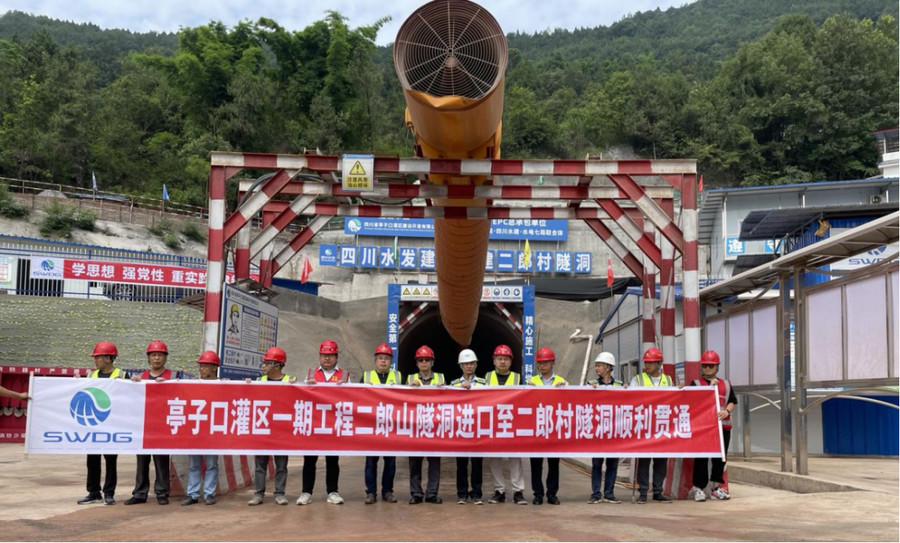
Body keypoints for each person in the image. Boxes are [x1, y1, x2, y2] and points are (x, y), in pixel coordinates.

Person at [125, 340, 182, 506]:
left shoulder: (173, 376)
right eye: (154, 355)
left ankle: (162, 492)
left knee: (161, 460)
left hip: (162, 425)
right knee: (142, 461)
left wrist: (169, 386)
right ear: (148, 358)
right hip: (144, 425)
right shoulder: (141, 377)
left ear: (165, 357)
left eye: (160, 355)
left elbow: (182, 394)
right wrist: (133, 385)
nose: (157, 358)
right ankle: (140, 493)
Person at [78, 341, 130, 506]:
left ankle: (109, 493)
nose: (95, 361)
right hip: (94, 423)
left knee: (110, 460)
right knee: (92, 460)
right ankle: (94, 492)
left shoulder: (122, 375)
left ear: (108, 358)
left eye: (98, 357)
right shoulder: (91, 376)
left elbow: (130, 398)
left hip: (112, 424)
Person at [298, 339, 346, 505]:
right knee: (309, 460)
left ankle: (333, 492)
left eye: (330, 355)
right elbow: (301, 395)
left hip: (333, 423)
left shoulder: (344, 376)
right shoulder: (311, 374)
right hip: (314, 423)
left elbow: (351, 398)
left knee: (332, 460)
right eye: (324, 355)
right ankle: (306, 492)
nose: (327, 358)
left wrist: (345, 388)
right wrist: (307, 386)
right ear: (319, 356)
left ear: (336, 357)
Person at [248, 346, 293, 506]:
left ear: (277, 366)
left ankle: (279, 493)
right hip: (264, 428)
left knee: (281, 465)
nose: (264, 366)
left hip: (281, 430)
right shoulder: (259, 381)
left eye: (267, 363)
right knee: (260, 464)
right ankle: (258, 494)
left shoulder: (290, 381)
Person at [689, 350, 737, 502]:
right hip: (704, 428)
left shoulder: (726, 384)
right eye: (705, 366)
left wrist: (726, 411)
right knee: (701, 458)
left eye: (711, 366)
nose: (708, 369)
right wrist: (710, 388)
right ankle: (699, 487)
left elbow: (732, 401)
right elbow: (693, 402)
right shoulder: (696, 384)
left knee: (720, 459)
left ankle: (716, 487)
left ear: (717, 367)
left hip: (723, 427)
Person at [629, 347, 674, 504]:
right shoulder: (638, 380)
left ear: (659, 363)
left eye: (650, 362)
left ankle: (657, 491)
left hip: (661, 425)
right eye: (646, 362)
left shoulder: (668, 380)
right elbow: (630, 398)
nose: (647, 365)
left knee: (661, 461)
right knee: (644, 460)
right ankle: (643, 492)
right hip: (645, 425)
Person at [484, 344, 528, 506]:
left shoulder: (518, 378)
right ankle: (499, 491)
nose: (502, 362)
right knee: (494, 459)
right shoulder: (487, 377)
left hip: (512, 423)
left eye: (506, 359)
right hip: (494, 424)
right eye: (499, 358)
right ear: (494, 360)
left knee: (515, 458)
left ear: (511, 361)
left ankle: (518, 491)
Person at [360, 343, 402, 505]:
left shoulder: (398, 377)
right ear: (375, 360)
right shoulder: (366, 377)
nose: (383, 361)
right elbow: (354, 397)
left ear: (391, 361)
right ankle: (371, 492)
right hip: (372, 426)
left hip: (391, 426)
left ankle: (388, 491)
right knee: (371, 462)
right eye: (380, 358)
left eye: (386, 358)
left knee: (390, 462)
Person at [527, 347, 567, 505]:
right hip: (536, 428)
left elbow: (569, 402)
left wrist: (564, 390)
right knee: (536, 465)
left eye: (545, 362)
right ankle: (538, 494)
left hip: (553, 428)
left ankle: (552, 494)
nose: (542, 365)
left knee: (553, 464)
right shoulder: (531, 382)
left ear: (552, 363)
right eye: (540, 363)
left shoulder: (562, 382)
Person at [182, 351, 221, 506]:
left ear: (214, 368)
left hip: (213, 431)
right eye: (201, 365)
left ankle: (209, 493)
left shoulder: (223, 385)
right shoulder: (194, 385)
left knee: (211, 464)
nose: (201, 368)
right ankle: (193, 494)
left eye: (205, 365)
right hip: (196, 430)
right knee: (194, 465)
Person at [406, 345, 445, 504]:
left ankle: (432, 493)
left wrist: (443, 389)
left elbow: (450, 400)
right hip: (416, 426)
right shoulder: (410, 379)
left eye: (427, 360)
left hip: (434, 426)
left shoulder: (441, 379)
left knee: (434, 461)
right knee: (415, 462)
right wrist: (409, 389)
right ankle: (416, 493)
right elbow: (401, 400)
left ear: (432, 362)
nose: (424, 363)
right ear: (417, 363)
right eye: (421, 360)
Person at [587, 352, 623, 505]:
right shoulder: (591, 384)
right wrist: (590, 391)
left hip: (614, 431)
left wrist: (627, 391)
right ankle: (596, 494)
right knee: (596, 464)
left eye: (599, 366)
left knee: (612, 464)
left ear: (608, 367)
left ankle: (609, 493)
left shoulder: (620, 385)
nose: (597, 368)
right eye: (596, 366)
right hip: (598, 431)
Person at [451, 349, 485, 505]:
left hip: (478, 428)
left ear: (476, 364)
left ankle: (477, 494)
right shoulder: (454, 384)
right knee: (461, 464)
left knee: (477, 463)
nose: (469, 366)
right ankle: (462, 494)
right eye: (465, 364)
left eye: (471, 363)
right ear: (460, 366)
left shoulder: (484, 383)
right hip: (461, 428)